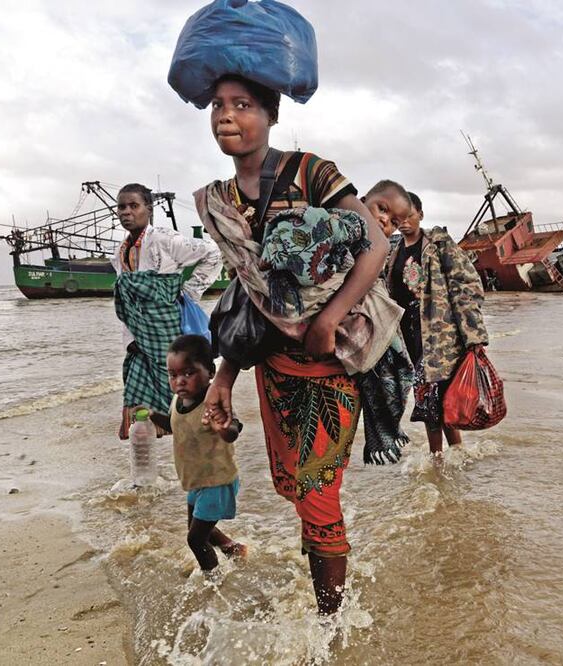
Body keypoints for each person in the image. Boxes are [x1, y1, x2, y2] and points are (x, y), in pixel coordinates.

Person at [192, 74, 391, 615]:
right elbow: (247, 298)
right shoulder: (221, 199)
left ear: (271, 115)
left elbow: (375, 242)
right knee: (302, 493)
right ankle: (325, 600)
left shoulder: (312, 171)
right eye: (217, 106)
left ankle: (329, 629)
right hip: (274, 368)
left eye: (243, 105)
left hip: (334, 359)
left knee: (319, 493)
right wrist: (223, 380)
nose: (226, 116)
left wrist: (331, 315)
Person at [111, 183, 222, 439]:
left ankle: (198, 437)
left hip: (166, 328)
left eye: (133, 206)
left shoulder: (164, 239)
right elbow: (129, 302)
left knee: (178, 386)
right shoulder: (120, 251)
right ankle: (153, 457)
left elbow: (212, 253)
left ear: (148, 210)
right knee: (139, 392)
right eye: (121, 207)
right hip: (139, 335)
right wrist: (131, 340)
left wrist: (190, 292)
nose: (126, 212)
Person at [387, 191, 489, 454]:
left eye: (410, 215)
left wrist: (474, 336)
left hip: (439, 335)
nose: (405, 221)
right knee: (434, 397)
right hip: (410, 334)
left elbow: (467, 285)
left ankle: (440, 459)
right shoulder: (394, 251)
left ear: (421, 214)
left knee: (431, 395)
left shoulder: (439, 245)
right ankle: (454, 455)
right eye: (400, 217)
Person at [150, 335, 245, 572]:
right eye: (173, 375)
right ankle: (233, 549)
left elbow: (234, 428)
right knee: (197, 528)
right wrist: (153, 417)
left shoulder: (212, 404)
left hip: (217, 481)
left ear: (211, 372)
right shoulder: (178, 401)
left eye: (188, 373)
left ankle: (213, 581)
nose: (179, 382)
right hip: (197, 481)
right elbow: (178, 426)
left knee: (195, 539)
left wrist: (225, 429)